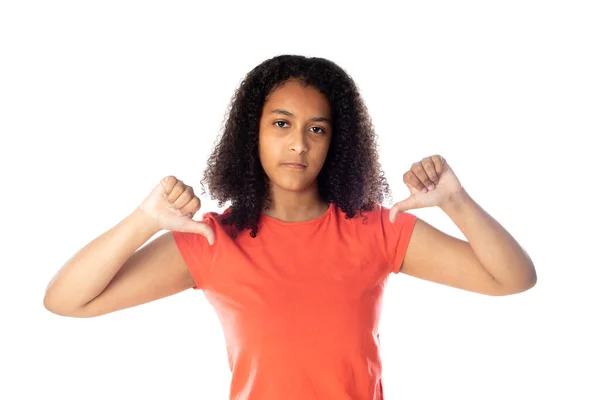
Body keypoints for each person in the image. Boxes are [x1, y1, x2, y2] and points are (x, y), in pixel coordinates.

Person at [44, 54, 537, 400]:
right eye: (281, 124)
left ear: (335, 143)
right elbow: (66, 300)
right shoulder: (214, 242)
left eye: (316, 129)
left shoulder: (376, 231)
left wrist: (456, 201)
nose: (299, 144)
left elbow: (514, 279)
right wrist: (144, 221)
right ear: (251, 134)